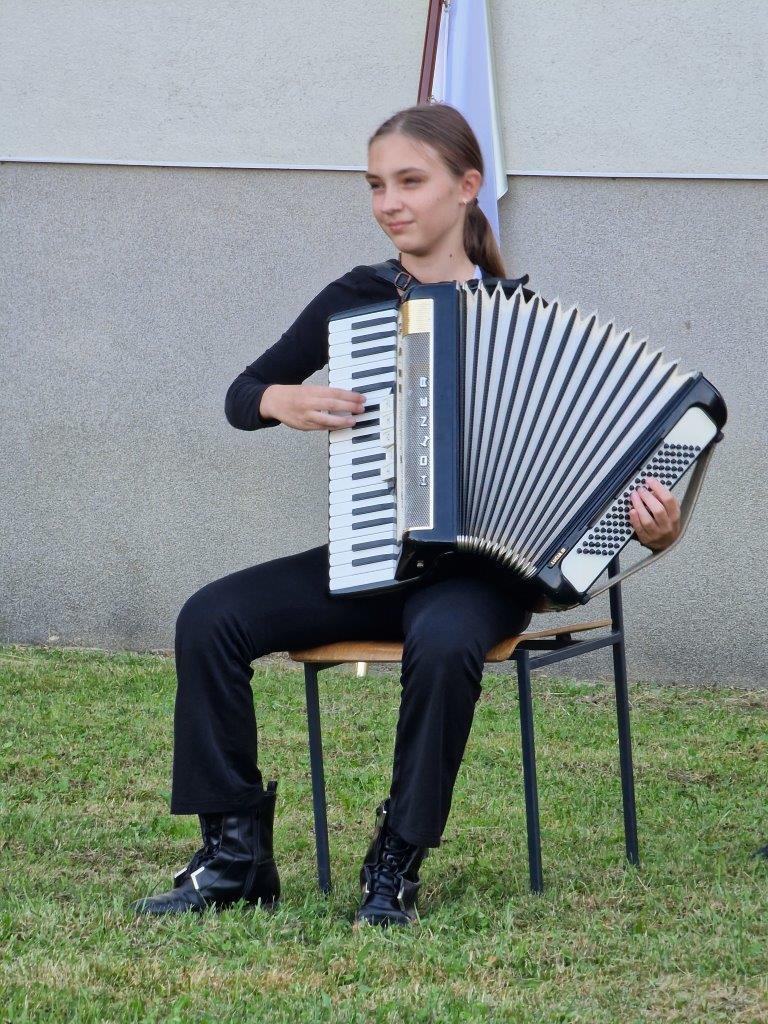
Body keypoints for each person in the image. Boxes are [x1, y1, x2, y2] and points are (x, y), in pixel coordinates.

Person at [132, 104, 682, 926]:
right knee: (210, 617)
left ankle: (396, 862)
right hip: (373, 556)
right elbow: (243, 394)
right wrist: (283, 400)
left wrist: (652, 530)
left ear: (466, 187)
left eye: (409, 182)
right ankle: (236, 859)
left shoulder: (523, 323)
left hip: (481, 579)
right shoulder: (356, 298)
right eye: (376, 185)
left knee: (447, 638)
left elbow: (593, 488)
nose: (389, 203)